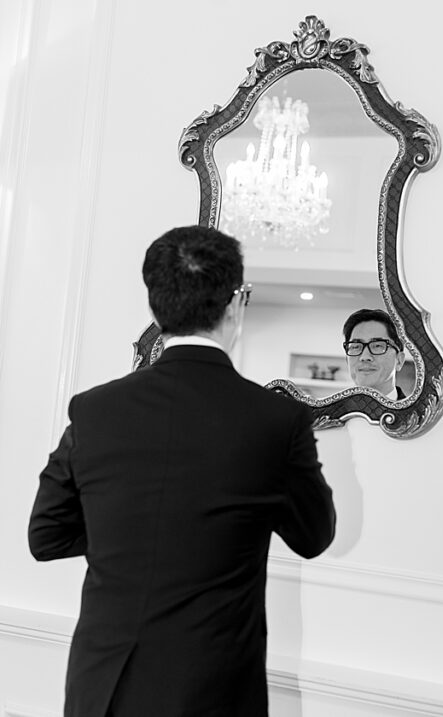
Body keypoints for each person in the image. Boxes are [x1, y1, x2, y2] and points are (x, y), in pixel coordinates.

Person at [29, 226, 336, 717]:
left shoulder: (95, 410)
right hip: (212, 692)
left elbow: (45, 535)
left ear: (154, 307)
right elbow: (314, 536)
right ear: (236, 304)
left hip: (102, 687)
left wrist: (129, 528)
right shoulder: (277, 421)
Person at [343, 308, 407, 400]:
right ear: (347, 360)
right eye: (356, 347)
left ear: (399, 361)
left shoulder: (423, 414)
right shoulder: (329, 413)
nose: (365, 357)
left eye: (377, 346)